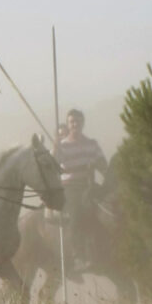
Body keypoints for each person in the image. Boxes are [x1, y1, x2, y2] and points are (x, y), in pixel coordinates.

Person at [53, 108, 109, 272]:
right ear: (68, 124)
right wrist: (55, 148)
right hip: (70, 187)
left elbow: (104, 166)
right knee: (77, 213)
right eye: (72, 122)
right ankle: (79, 256)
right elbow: (52, 166)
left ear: (83, 123)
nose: (75, 124)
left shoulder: (92, 144)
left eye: (78, 121)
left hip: (89, 185)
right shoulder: (62, 146)